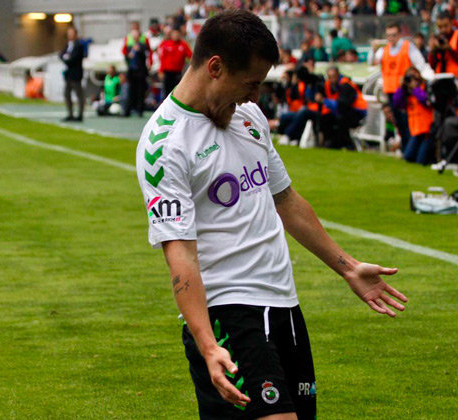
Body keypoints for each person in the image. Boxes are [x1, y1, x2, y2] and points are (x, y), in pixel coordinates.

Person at [135, 10, 407, 420]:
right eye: (251, 84)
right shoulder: (164, 144)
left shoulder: (249, 117)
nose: (255, 97)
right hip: (230, 311)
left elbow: (286, 201)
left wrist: (347, 267)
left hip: (284, 305)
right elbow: (180, 254)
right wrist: (209, 346)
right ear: (215, 67)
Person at [371, 23, 431, 151]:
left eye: (393, 35)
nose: (391, 38)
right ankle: (406, 147)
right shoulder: (384, 50)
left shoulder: (407, 47)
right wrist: (373, 50)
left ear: (399, 35)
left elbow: (420, 64)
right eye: (388, 36)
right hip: (391, 91)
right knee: (398, 122)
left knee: (407, 121)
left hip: (405, 91)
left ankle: (410, 148)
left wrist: (416, 81)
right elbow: (372, 62)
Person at [393, 68, 435, 164]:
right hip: (415, 130)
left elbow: (426, 101)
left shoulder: (425, 86)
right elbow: (397, 103)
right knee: (408, 157)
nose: (412, 78)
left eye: (414, 75)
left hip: (427, 129)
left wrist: (415, 88)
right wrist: (401, 88)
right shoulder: (406, 92)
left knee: (421, 160)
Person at [320, 66, 368, 149]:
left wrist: (325, 101)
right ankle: (330, 142)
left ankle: (347, 144)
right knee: (325, 117)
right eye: (330, 77)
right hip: (345, 111)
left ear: (338, 75)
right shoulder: (329, 85)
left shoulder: (346, 85)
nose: (332, 79)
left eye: (334, 76)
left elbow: (343, 104)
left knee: (340, 119)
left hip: (358, 112)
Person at [429, 12, 458, 82]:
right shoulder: (437, 39)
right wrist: (433, 51)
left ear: (451, 23)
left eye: (446, 26)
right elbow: (433, 65)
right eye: (440, 27)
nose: (443, 29)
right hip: (442, 80)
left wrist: (449, 49)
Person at [157, 26, 192, 98]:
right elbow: (162, 59)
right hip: (167, 73)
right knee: (166, 93)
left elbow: (191, 56)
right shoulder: (165, 44)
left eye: (177, 34)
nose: (176, 35)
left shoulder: (183, 45)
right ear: (171, 34)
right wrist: (160, 71)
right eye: (174, 34)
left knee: (176, 93)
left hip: (177, 73)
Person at [59, 26, 86, 122]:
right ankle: (70, 114)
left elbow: (74, 58)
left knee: (79, 95)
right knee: (67, 94)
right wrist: (66, 58)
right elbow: (61, 55)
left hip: (76, 74)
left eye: (71, 33)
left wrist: (67, 58)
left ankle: (80, 115)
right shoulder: (67, 45)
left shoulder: (79, 45)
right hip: (68, 74)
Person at [124, 26, 150, 117]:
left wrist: (139, 51)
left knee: (140, 92)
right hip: (132, 71)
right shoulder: (129, 46)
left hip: (140, 72)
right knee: (131, 91)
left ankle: (140, 110)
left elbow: (146, 55)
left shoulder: (143, 46)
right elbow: (126, 57)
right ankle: (128, 110)